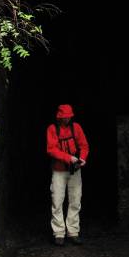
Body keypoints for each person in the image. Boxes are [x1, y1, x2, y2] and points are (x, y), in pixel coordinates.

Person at [46, 103, 89, 246]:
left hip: (75, 170)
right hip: (58, 171)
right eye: (65, 117)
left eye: (69, 117)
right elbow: (51, 150)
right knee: (57, 201)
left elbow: (84, 145)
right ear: (59, 117)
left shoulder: (76, 128)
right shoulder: (52, 129)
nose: (67, 119)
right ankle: (58, 233)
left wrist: (82, 158)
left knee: (75, 200)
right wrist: (68, 158)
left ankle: (73, 232)